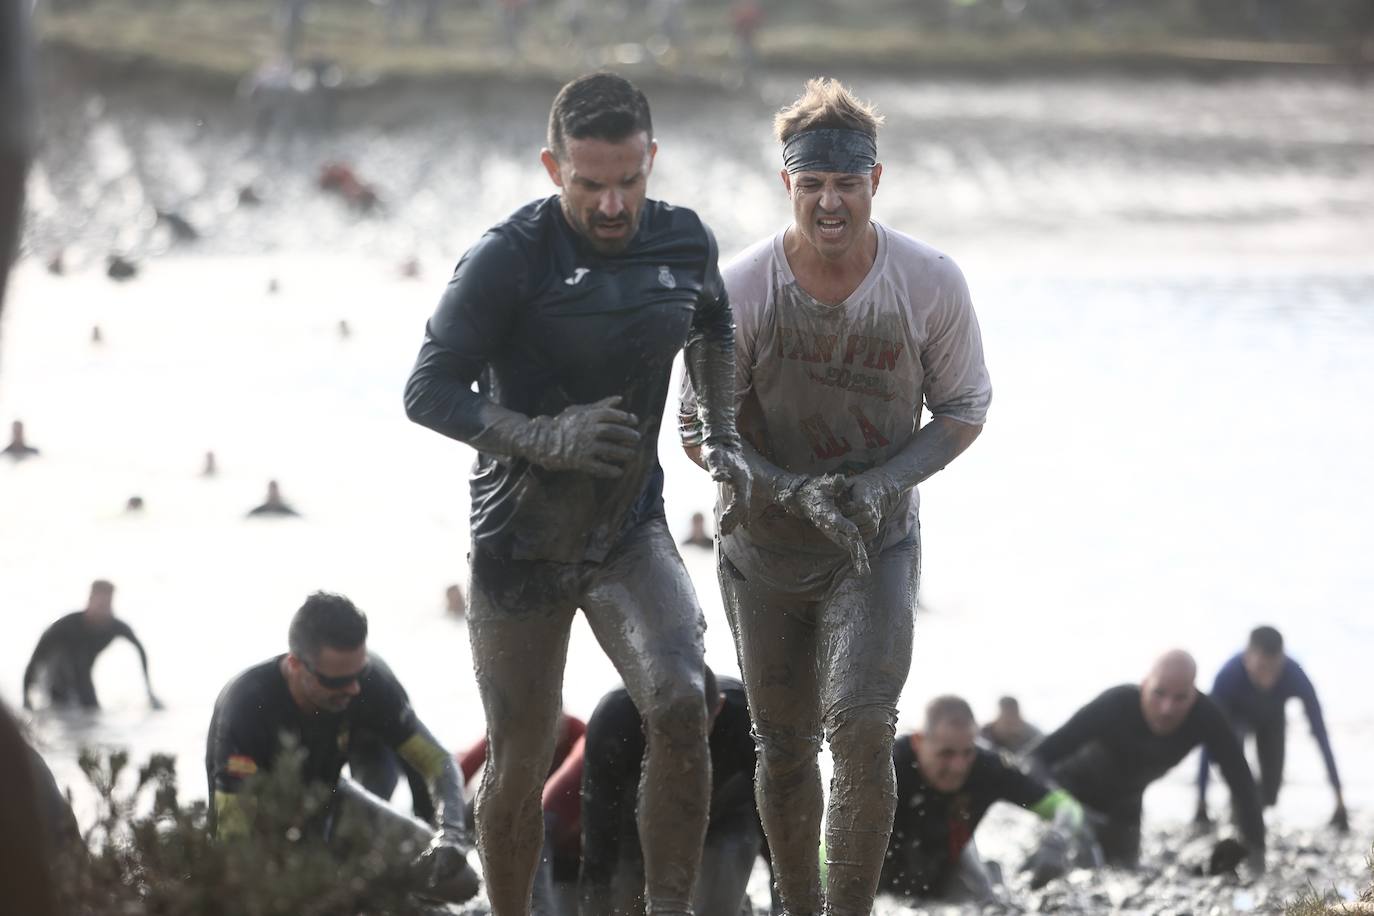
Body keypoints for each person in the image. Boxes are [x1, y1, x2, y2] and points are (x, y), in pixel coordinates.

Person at [402, 71, 750, 916]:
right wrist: (541, 436)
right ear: (553, 167)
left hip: (630, 531)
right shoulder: (506, 258)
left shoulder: (683, 240)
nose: (611, 204)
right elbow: (426, 390)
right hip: (519, 543)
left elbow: (713, 327)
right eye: (590, 184)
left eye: (629, 180)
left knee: (681, 701)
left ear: (652, 159)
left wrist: (719, 429)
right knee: (520, 759)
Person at [679, 78, 990, 916]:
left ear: (875, 182)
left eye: (846, 184)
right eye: (812, 184)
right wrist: (788, 490)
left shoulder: (929, 282)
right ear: (788, 184)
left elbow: (965, 408)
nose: (829, 202)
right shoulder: (738, 290)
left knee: (859, 727)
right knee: (781, 745)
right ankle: (798, 905)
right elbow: (697, 427)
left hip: (874, 543)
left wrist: (879, 483)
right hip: (763, 549)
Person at [205, 591, 479, 904]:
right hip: (269, 829)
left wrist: (451, 835)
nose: (353, 689)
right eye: (336, 682)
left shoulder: (368, 682)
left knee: (458, 881)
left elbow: (437, 762)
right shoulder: (247, 706)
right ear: (296, 665)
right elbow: (231, 835)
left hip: (333, 800)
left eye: (358, 675)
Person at [1029, 650, 1266, 873]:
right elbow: (1036, 758)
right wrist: (1057, 805)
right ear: (1144, 685)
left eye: (1180, 698)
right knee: (1051, 868)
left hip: (1125, 806)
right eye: (1159, 693)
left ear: (1194, 695)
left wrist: (1256, 853)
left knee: (1124, 872)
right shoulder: (1116, 703)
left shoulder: (1206, 716)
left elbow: (1242, 782)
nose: (1166, 709)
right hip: (1071, 793)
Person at [569, 668, 770, 916]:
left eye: (694, 738)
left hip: (724, 815)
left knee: (716, 908)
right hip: (636, 821)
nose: (681, 757)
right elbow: (598, 842)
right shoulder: (614, 720)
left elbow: (776, 824)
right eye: (669, 739)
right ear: (645, 716)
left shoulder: (745, 718)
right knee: (628, 905)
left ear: (718, 707)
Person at [881, 696, 1091, 905]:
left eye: (967, 752)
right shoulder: (888, 764)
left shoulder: (988, 767)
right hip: (878, 881)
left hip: (949, 881)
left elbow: (1067, 807)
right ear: (918, 741)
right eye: (946, 754)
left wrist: (1058, 839)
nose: (959, 767)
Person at [1196, 626, 1346, 831]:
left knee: (1271, 792)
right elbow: (1208, 737)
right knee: (1233, 763)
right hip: (1235, 721)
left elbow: (1320, 734)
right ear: (1247, 658)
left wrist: (1339, 798)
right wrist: (1201, 803)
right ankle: (1239, 807)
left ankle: (1249, 808)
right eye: (1261, 668)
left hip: (1272, 720)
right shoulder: (1228, 677)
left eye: (1274, 669)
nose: (1268, 678)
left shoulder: (1294, 674)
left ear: (1283, 660)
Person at [22, 580, 162, 711]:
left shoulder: (115, 626)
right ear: (90, 600)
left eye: (107, 604)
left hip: (84, 674)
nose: (103, 610)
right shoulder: (64, 626)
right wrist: (26, 700)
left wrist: (150, 692)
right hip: (56, 675)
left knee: (92, 710)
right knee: (62, 707)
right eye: (100, 604)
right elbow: (35, 660)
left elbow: (140, 650)